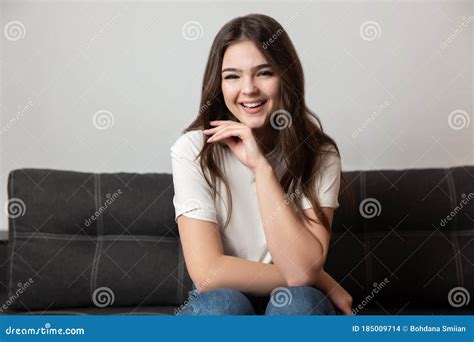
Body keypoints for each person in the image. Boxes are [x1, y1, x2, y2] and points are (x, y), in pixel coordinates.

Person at [170, 13, 353, 315]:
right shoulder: (192, 150)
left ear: (287, 77)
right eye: (232, 76)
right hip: (222, 295)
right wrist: (323, 279)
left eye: (264, 72)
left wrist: (262, 169)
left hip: (293, 296)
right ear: (219, 85)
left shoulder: (320, 154)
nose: (249, 89)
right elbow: (208, 273)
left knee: (299, 303)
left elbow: (299, 273)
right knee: (222, 305)